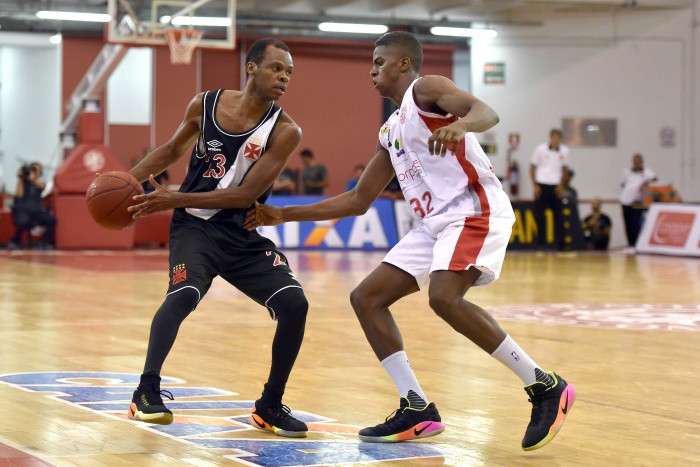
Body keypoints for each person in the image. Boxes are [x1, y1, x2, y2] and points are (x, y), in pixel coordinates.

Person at [245, 31, 574, 451]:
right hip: (433, 225)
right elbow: (358, 200)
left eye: (379, 62)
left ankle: (544, 385)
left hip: (472, 209)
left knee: (444, 298)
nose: (372, 70)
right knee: (367, 298)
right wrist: (284, 214)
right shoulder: (390, 129)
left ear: (403, 63)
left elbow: (486, 112)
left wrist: (461, 124)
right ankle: (416, 406)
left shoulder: (426, 90)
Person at [124, 38, 310, 438]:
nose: (284, 78)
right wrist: (124, 182)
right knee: (184, 294)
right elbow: (170, 151)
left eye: (289, 72)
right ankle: (145, 391)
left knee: (294, 304)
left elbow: (244, 196)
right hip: (195, 228)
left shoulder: (285, 131)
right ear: (251, 68)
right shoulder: (205, 104)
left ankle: (269, 406)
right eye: (277, 68)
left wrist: (174, 197)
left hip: (241, 234)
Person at [530, 128, 570, 250]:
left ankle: (562, 244)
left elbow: (565, 169)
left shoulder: (565, 151)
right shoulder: (540, 149)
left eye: (558, 137)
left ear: (560, 139)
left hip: (555, 186)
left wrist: (561, 185)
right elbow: (532, 167)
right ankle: (540, 243)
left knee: (559, 216)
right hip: (542, 185)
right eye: (554, 137)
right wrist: (535, 185)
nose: (555, 140)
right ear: (550, 137)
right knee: (539, 216)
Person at [8, 162, 56, 250]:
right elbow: (19, 194)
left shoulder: (40, 183)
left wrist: (33, 179)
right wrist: (21, 178)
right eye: (33, 169)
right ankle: (15, 241)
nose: (34, 171)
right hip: (22, 211)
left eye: (36, 170)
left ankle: (44, 242)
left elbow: (42, 187)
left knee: (51, 220)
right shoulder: (23, 182)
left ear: (40, 173)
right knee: (23, 221)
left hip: (35, 212)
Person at [620, 153, 657, 250]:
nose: (636, 164)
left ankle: (637, 244)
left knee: (636, 223)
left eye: (638, 162)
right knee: (628, 224)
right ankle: (630, 244)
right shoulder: (627, 172)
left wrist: (644, 183)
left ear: (641, 162)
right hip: (626, 201)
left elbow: (654, 178)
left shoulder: (646, 172)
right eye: (635, 162)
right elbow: (623, 184)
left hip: (638, 203)